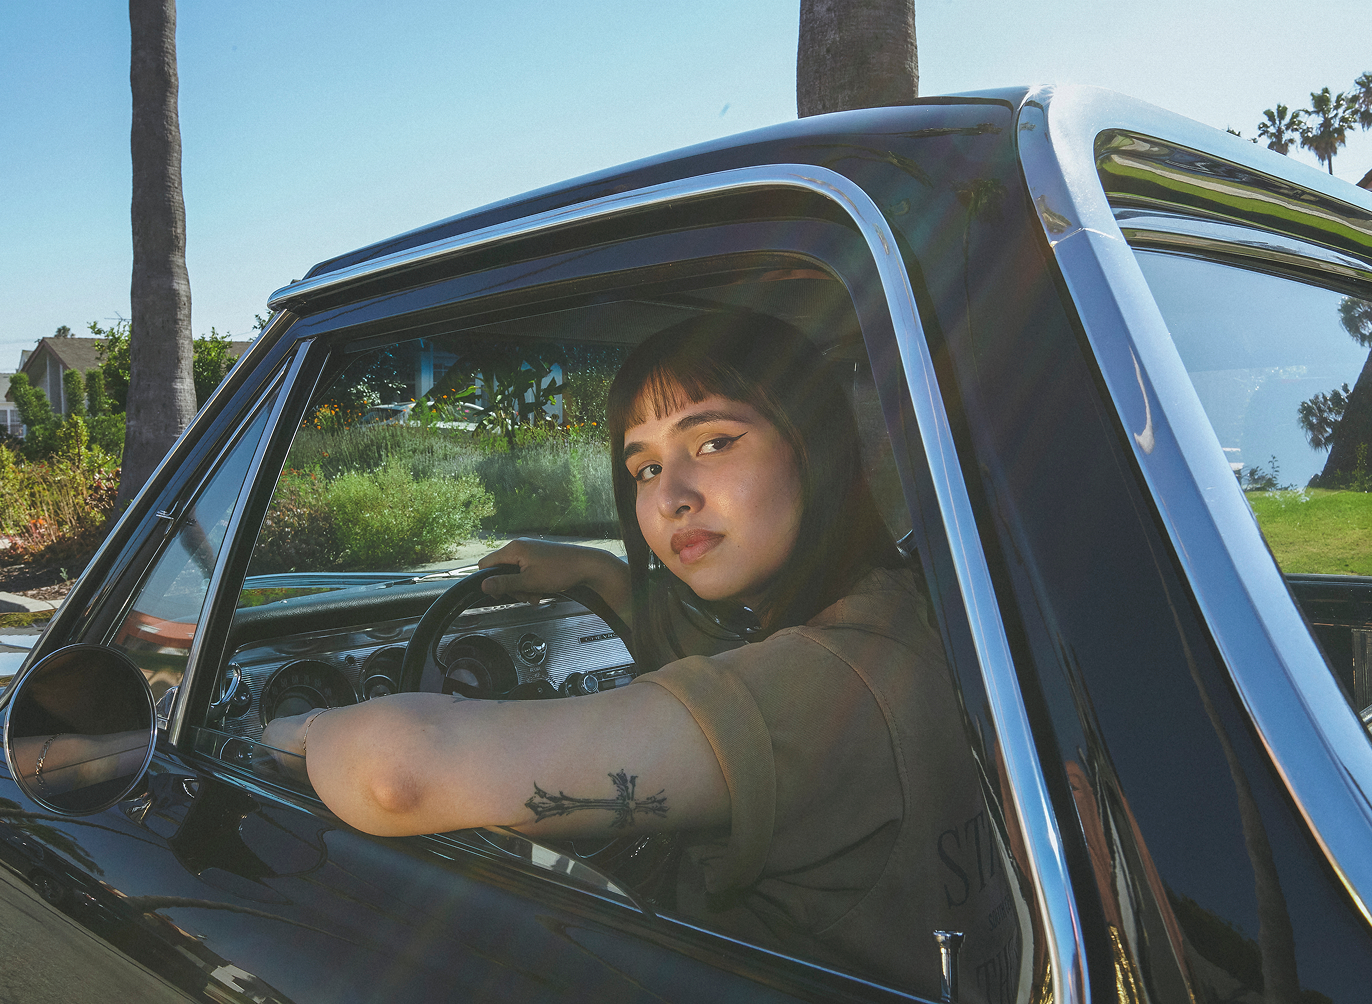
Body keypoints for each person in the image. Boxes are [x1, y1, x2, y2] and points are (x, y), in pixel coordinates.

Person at [264, 311, 1012, 996]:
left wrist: (286, 731)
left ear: (813, 443)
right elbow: (705, 662)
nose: (670, 497)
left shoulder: (819, 685)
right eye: (645, 468)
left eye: (714, 442)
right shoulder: (915, 604)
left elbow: (399, 772)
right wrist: (603, 576)